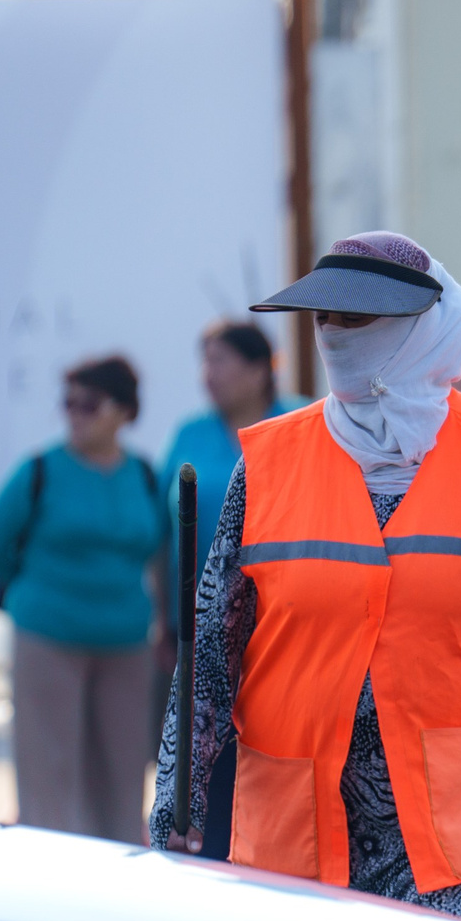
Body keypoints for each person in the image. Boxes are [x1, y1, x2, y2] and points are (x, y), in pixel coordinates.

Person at [148, 232, 461, 921]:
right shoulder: (265, 463)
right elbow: (212, 653)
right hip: (299, 828)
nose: (336, 336)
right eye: (326, 319)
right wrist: (179, 796)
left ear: (420, 329)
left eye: (358, 318)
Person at [0, 355, 170, 841]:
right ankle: (48, 881)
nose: (75, 414)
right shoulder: (40, 470)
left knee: (123, 775)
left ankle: (116, 880)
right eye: (68, 404)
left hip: (125, 644)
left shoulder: (143, 474)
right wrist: (37, 591)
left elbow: (159, 547)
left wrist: (162, 618)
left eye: (89, 404)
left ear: (125, 411)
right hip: (48, 638)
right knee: (48, 771)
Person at [154, 319, 297, 852]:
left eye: (220, 361)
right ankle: (206, 849)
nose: (207, 375)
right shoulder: (190, 433)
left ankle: (266, 846)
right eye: (204, 361)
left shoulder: (299, 422)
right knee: (200, 743)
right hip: (197, 621)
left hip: (278, 616)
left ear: (261, 369)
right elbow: (158, 528)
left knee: (267, 743)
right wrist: (160, 617)